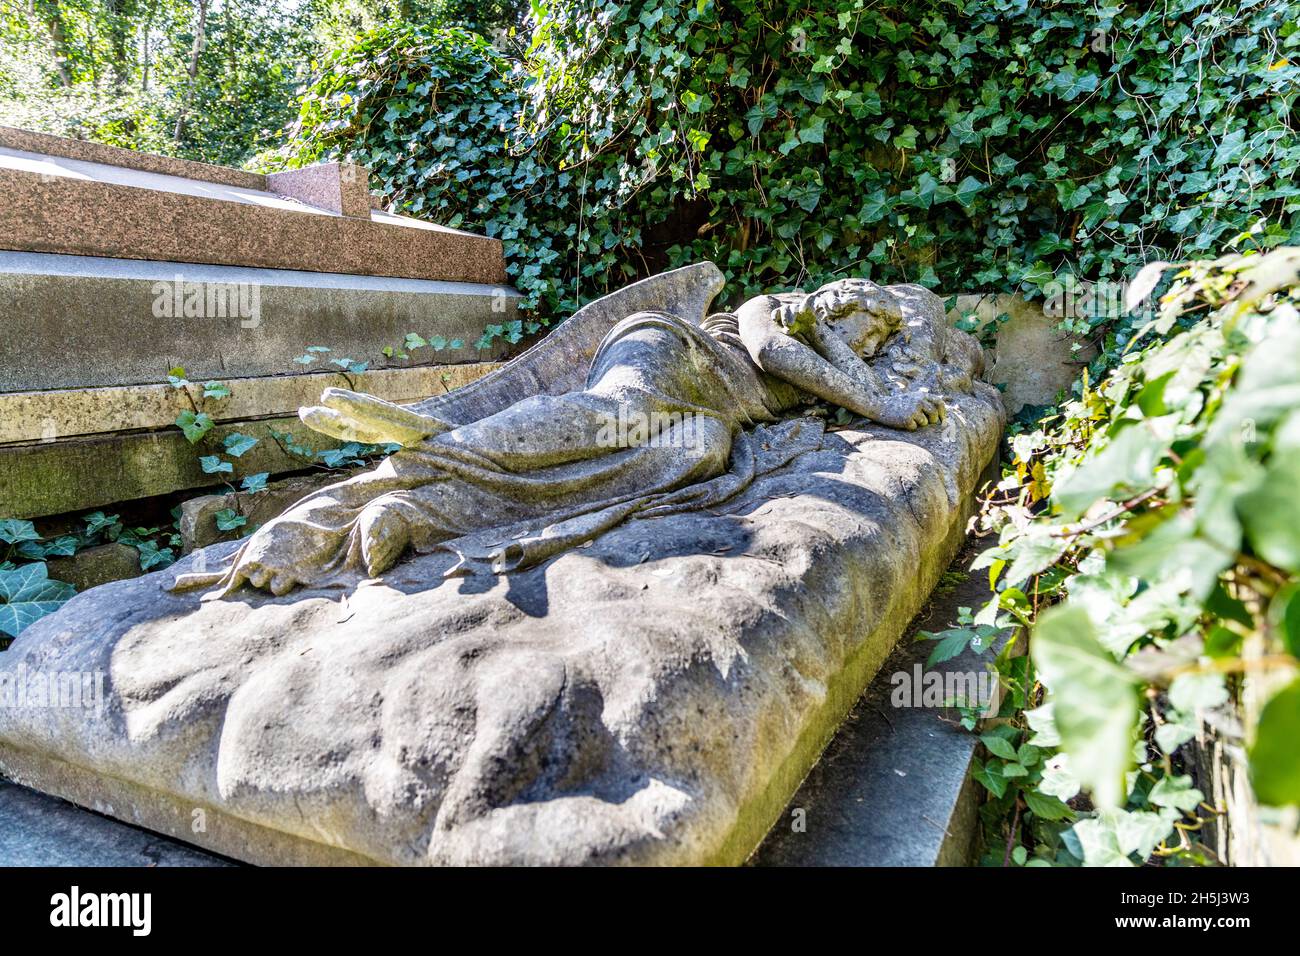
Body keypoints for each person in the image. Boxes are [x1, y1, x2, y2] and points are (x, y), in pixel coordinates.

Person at [171, 278, 979, 596]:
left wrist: (889, 387)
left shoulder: (844, 367)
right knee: (609, 414)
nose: (866, 331)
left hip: (710, 416)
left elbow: (828, 387)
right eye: (865, 313)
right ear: (839, 298)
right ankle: (402, 466)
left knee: (693, 453)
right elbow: (771, 352)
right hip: (675, 353)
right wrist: (883, 399)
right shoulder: (784, 313)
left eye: (878, 332)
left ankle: (433, 509)